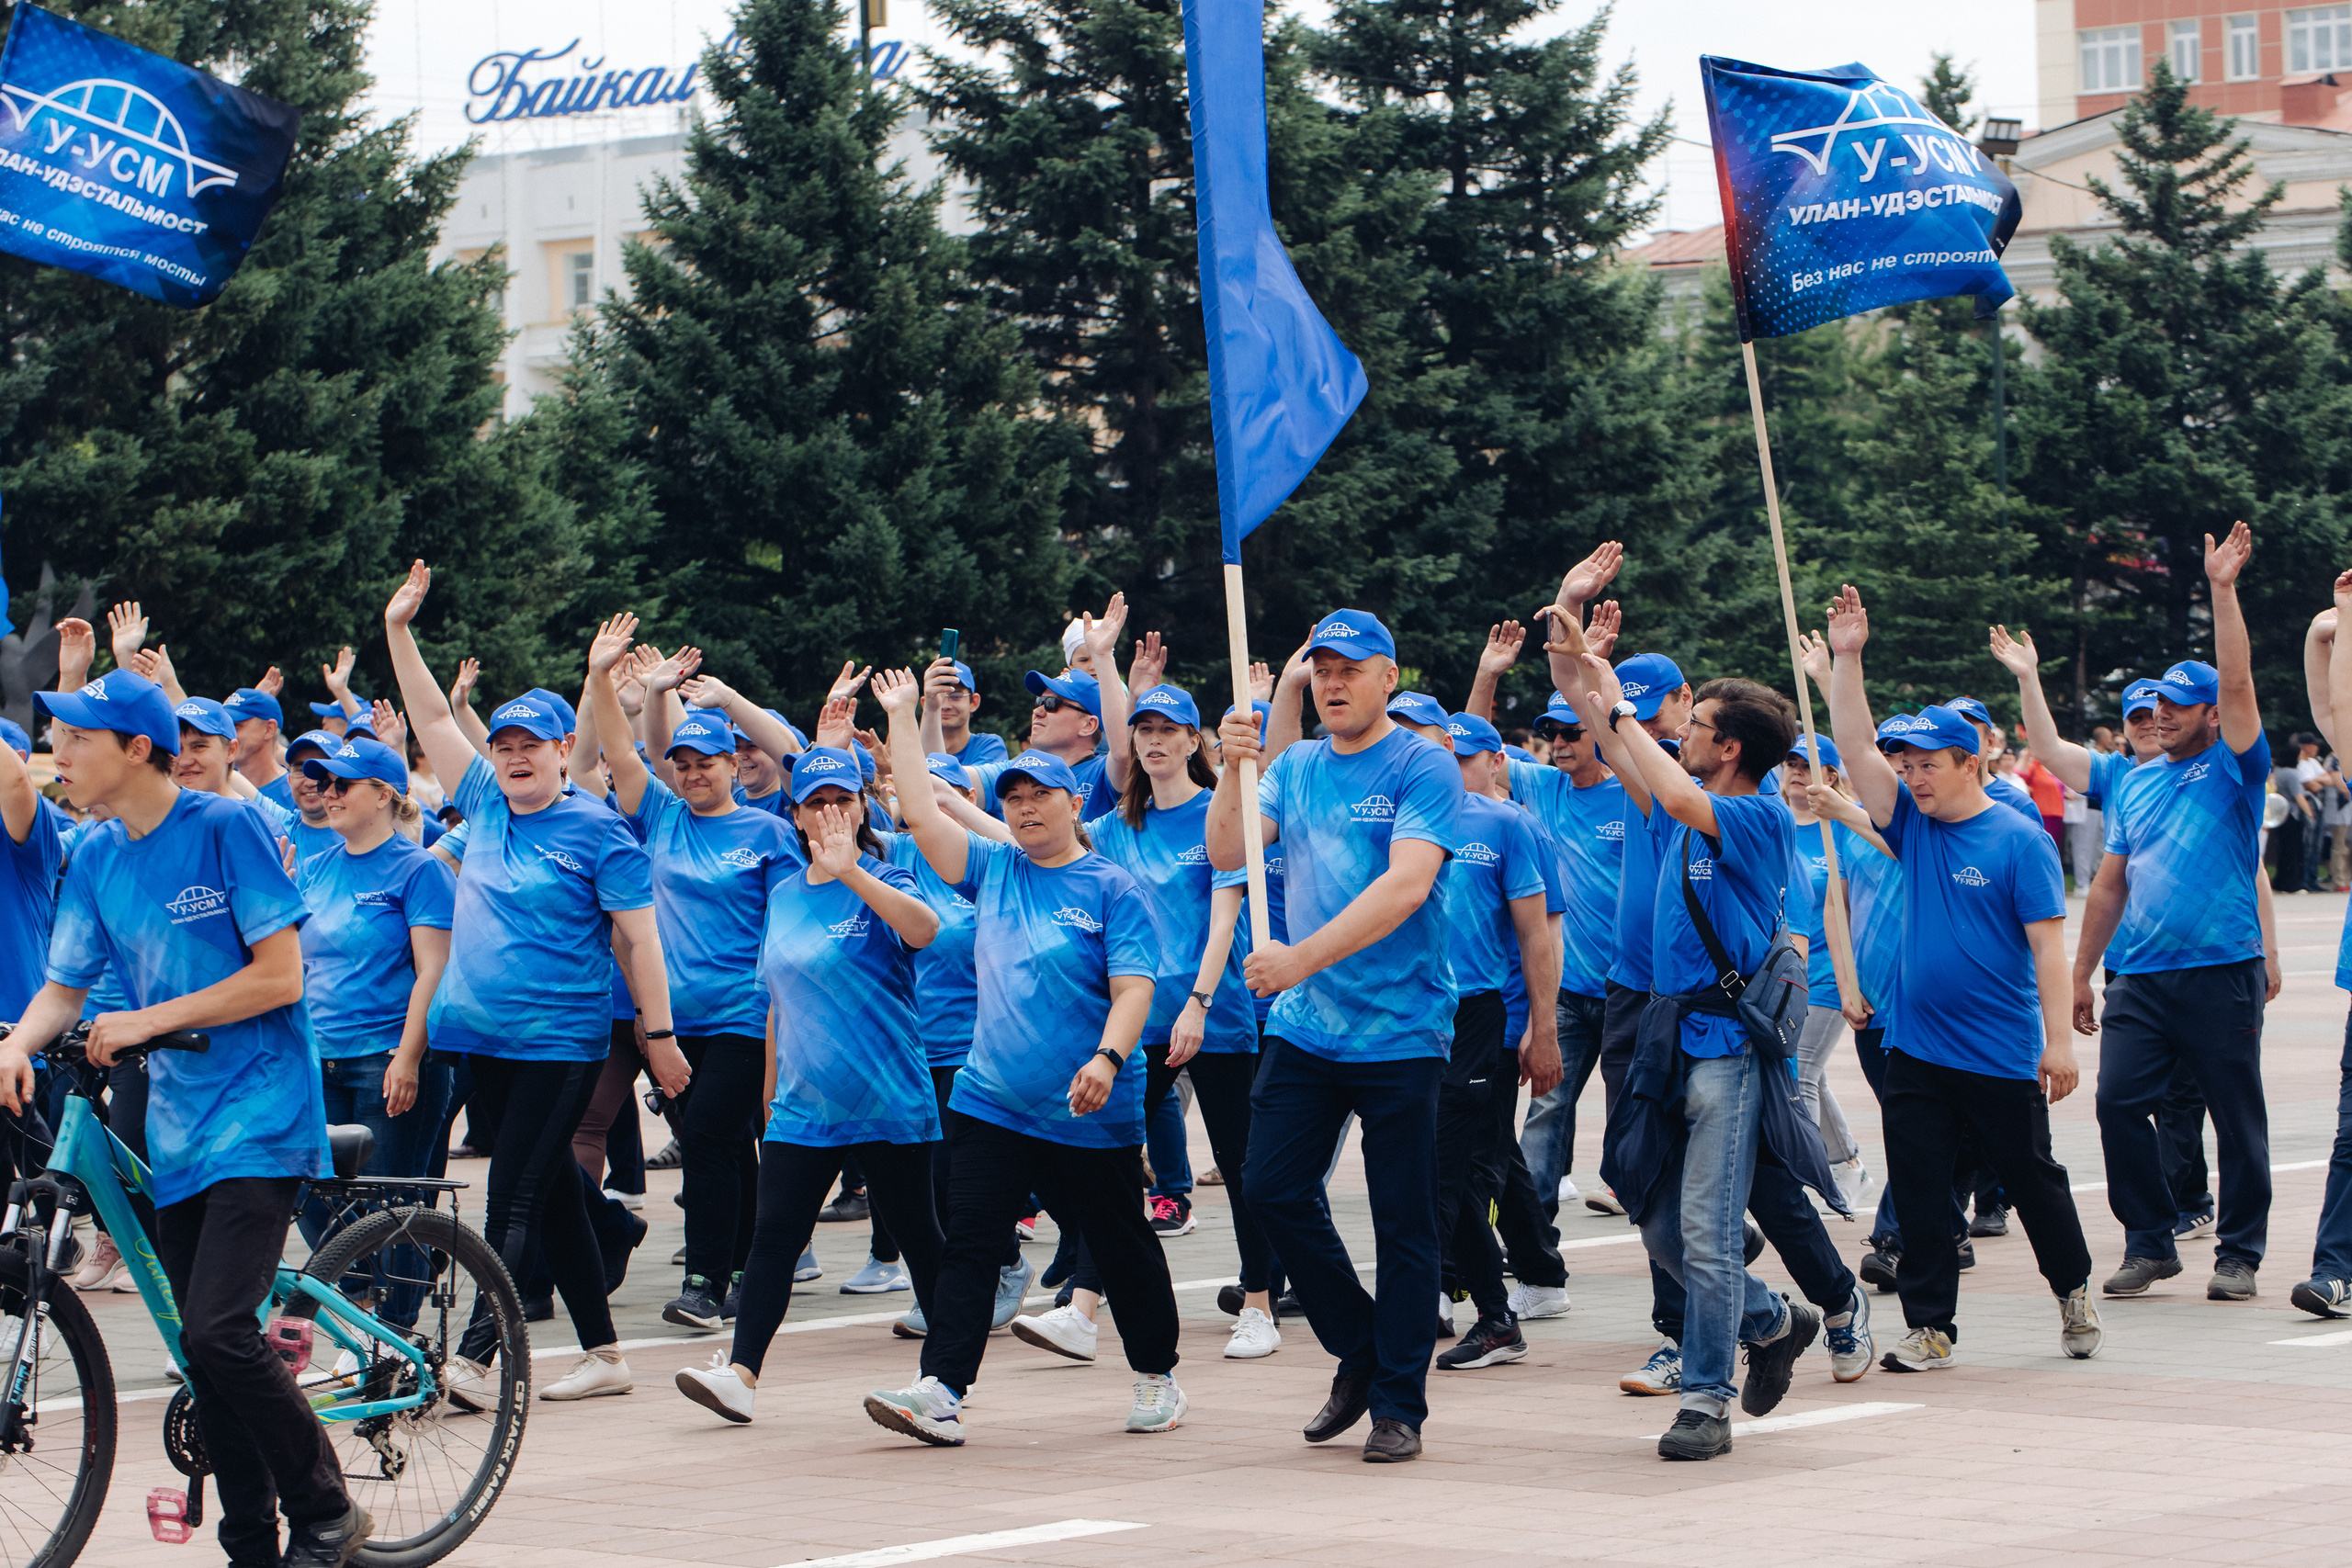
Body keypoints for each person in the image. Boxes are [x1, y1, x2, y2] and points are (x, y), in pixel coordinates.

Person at [0, 667, 368, 1568]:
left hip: (262, 1109)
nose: (57, 752)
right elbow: (64, 986)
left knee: (217, 1333)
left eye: (76, 738)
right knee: (201, 1350)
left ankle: (327, 1510)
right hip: (178, 1124)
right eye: (56, 736)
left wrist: (144, 1021)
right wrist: (17, 1044)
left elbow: (281, 976)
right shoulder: (95, 854)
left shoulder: (226, 827)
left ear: (137, 748)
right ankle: (251, 1546)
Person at [382, 564, 686, 1403]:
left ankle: (478, 1358)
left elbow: (641, 939)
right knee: (550, 1195)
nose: (515, 758)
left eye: (531, 746)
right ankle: (606, 1353)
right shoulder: (483, 799)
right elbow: (432, 716)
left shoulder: (600, 831)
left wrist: (659, 1037)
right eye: (504, 745)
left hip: (559, 1041)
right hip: (479, 1036)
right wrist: (399, 630)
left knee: (509, 1199)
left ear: (562, 750)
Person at [865, 670, 1181, 1446]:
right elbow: (921, 811)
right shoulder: (994, 869)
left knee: (1118, 1241)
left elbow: (1135, 989)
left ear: (1074, 802)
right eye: (1013, 797)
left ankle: (1157, 1373)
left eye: (1041, 794)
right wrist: (903, 716)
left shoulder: (1111, 887)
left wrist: (1107, 1058)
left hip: (1087, 1103)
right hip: (993, 1098)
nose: (1026, 807)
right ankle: (942, 1390)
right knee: (971, 1239)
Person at [1823, 585, 2102, 1374]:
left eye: (1928, 764)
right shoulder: (1909, 824)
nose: (1912, 776)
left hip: (2001, 1052)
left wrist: (2058, 1043)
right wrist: (1848, 659)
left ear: (1968, 762)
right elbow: (1853, 746)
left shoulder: (2018, 839)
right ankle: (1930, 1326)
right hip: (1916, 1048)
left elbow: (2048, 948)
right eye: (1906, 764)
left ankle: (2073, 1287)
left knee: (2032, 1180)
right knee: (1919, 1190)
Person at [1570, 656, 1842, 1461]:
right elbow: (1612, 743)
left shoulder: (1760, 818)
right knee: (1654, 1218)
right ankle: (1773, 1319)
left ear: (1729, 748)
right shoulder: (1676, 807)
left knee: (1707, 1229)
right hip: (1665, 1035)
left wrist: (1624, 711)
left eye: (1694, 726)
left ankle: (1705, 1400)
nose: (1679, 734)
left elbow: (1664, 776)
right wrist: (1584, 662)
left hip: (1727, 1047)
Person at [1206, 608, 1459, 1465]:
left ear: (1389, 676)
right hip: (1308, 1029)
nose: (1334, 683)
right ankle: (1361, 1345)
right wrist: (1231, 769)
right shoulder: (1296, 765)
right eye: (1321, 670)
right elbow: (1228, 849)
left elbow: (1407, 886)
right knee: (1270, 1188)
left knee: (1403, 1221)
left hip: (1402, 1029)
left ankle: (1399, 1404)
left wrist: (1297, 959)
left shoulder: (1423, 763)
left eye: (1350, 669)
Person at [673, 756, 943, 1423]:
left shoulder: (886, 877)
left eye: (842, 799)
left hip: (885, 1097)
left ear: (862, 807)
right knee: (774, 1237)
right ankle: (741, 1374)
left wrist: (851, 870)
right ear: (795, 816)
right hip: (803, 1104)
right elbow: (775, 1002)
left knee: (918, 1236)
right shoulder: (787, 893)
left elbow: (923, 929)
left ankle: (945, 1377)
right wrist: (770, 1093)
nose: (829, 812)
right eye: (815, 802)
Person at [1015, 682, 1276, 1360]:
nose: (1155, 741)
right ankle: (1083, 1308)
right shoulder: (1111, 828)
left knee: (1242, 1166)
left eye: (1168, 730)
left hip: (1212, 1019)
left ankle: (1258, 1304)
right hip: (1137, 1026)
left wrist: (1200, 1002)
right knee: (1105, 1163)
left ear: (1193, 741)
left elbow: (1225, 920)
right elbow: (1035, 850)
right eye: (1144, 730)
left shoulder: (1219, 816)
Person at [579, 619, 801, 1330]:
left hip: (743, 1015)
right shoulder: (662, 817)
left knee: (705, 1137)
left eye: (707, 761)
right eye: (682, 761)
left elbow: (787, 927)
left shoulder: (770, 833)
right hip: (672, 1020)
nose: (693, 771)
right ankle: (743, 1269)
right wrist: (604, 676)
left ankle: (703, 1280)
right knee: (728, 1145)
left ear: (734, 763)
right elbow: (619, 750)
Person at [2074, 524, 2274, 1303]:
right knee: (2117, 1102)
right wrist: (2082, 974)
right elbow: (2108, 886)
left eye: (2178, 706)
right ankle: (2151, 1242)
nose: (2159, 714)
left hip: (2222, 969)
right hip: (2141, 976)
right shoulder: (2136, 782)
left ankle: (2240, 1253)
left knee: (2236, 1116)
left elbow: (2240, 684)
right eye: (2156, 702)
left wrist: (2221, 590)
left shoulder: (2236, 768)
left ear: (2212, 715)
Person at [289, 737, 458, 1329]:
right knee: (305, 1186)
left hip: (387, 1058)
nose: (328, 793)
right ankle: (361, 1292)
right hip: (321, 1057)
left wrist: (408, 1057)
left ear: (384, 794)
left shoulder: (419, 870)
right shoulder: (314, 868)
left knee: (394, 1207)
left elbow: (433, 969)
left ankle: (399, 1335)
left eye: (343, 784)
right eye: (324, 783)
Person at [1429, 712, 1561, 1372]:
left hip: (1482, 1017)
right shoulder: (1392, 818)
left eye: (1455, 754)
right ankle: (1503, 1298)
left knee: (1459, 1168)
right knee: (1442, 1166)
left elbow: (1542, 930)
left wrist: (1540, 1025)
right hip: (1409, 1012)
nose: (1445, 766)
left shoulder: (1507, 824)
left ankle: (1475, 1301)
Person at [1779, 734, 1866, 1199]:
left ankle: (1805, 1188)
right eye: (1791, 763)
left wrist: (1854, 979)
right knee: (1810, 1070)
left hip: (1829, 976)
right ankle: (1848, 1164)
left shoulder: (1841, 831)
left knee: (1801, 1072)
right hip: (1780, 973)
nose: (1797, 771)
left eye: (1807, 765)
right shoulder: (1773, 821)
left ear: (1830, 776)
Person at [919, 658, 1010, 767]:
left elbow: (939, 775)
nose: (945, 706)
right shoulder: (911, 750)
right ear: (925, 704)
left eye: (956, 696)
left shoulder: (989, 747)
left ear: (974, 702)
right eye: (938, 696)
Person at [222, 686, 293, 809]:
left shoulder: (297, 790)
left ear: (269, 729)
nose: (227, 734)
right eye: (225, 726)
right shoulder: (217, 787)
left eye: (236, 726)